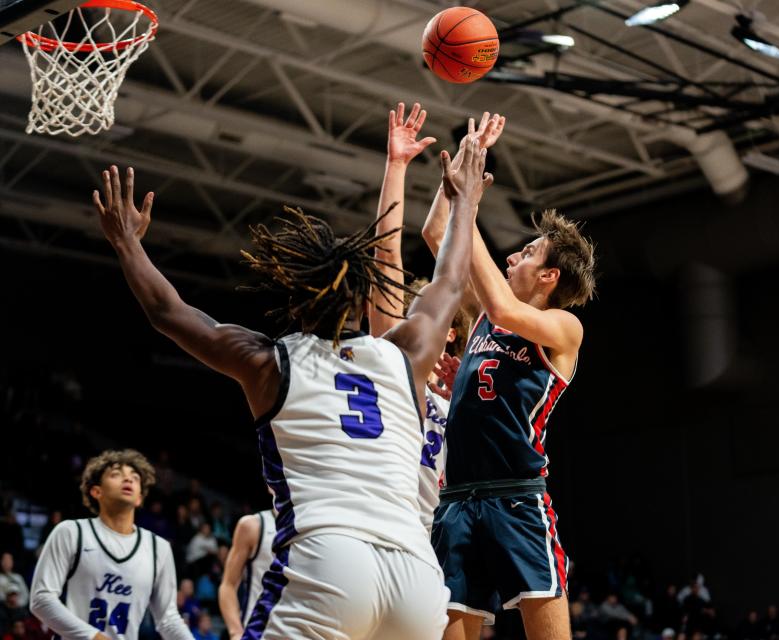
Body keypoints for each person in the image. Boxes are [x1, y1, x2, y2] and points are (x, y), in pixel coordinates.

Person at [94, 122, 493, 639]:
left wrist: (127, 244)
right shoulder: (405, 354)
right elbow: (450, 281)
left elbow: (168, 311)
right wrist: (465, 202)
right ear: (359, 300)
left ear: (294, 298)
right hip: (417, 578)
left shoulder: (269, 361)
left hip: (329, 560)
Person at [422, 113, 597, 640]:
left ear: (549, 277)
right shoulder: (482, 312)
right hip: (456, 499)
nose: (512, 256)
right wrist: (460, 168)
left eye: (527, 254)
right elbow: (436, 232)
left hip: (516, 497)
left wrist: (471, 199)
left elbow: (502, 310)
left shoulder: (562, 328)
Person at [367, 102, 483, 534]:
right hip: (390, 527)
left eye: (418, 309)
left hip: (447, 532)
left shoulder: (464, 391)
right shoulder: (396, 361)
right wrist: (396, 166)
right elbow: (386, 255)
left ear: (448, 330)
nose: (408, 316)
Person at [29, 449, 192, 640]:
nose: (128, 480)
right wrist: (94, 637)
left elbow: (168, 620)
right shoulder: (72, 532)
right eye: (116, 474)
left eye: (135, 477)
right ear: (96, 491)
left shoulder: (159, 548)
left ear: (139, 498)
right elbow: (41, 599)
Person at [218, 509, 276, 640]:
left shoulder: (315, 527)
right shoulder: (254, 525)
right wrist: (236, 633)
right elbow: (228, 585)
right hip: (258, 633)